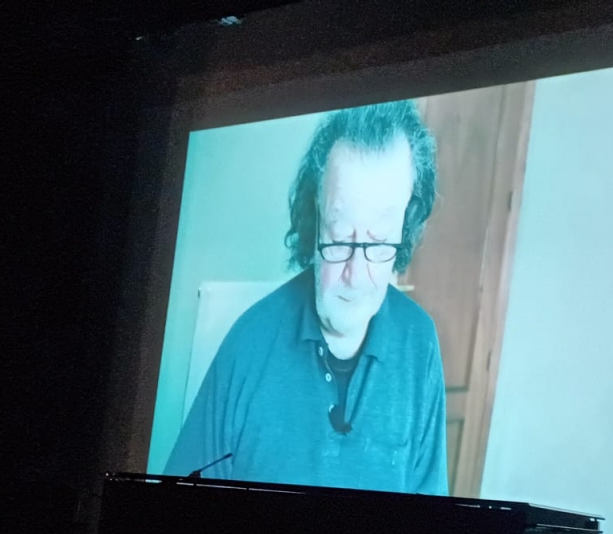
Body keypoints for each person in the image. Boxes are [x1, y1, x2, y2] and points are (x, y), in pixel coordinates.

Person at [164, 100, 449, 495]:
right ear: (315, 220)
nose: (355, 275)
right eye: (339, 235)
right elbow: (175, 511)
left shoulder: (420, 342)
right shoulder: (249, 341)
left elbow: (428, 522)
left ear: (406, 225)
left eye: (380, 240)